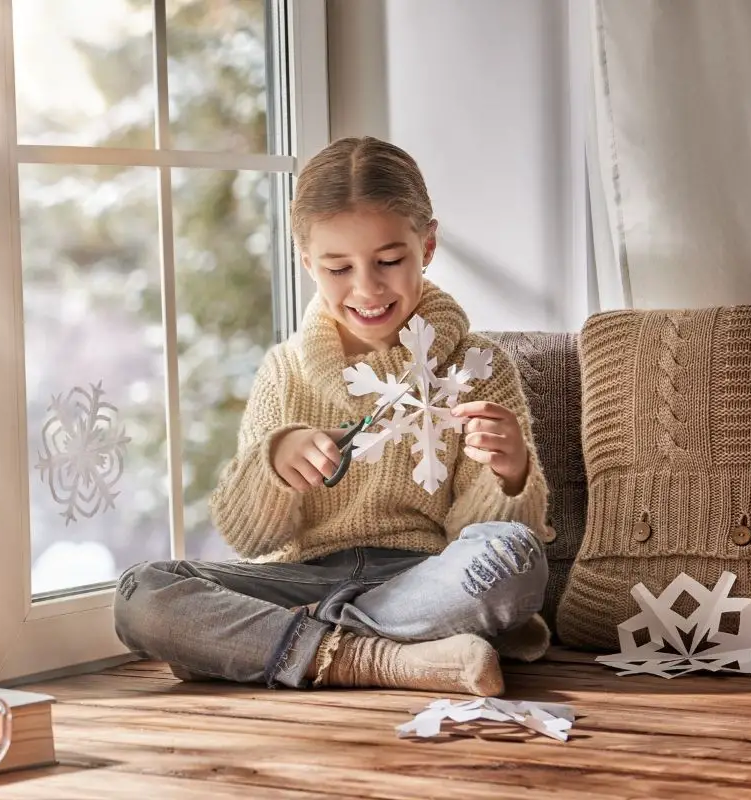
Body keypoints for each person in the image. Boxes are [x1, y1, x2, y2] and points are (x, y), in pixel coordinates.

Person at [112, 136, 554, 696]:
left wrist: (509, 473)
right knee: (140, 594)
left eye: (390, 261)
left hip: (421, 578)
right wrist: (273, 466)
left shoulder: (477, 365)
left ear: (429, 244)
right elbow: (245, 537)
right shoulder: (285, 372)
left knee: (515, 558)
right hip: (299, 579)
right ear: (306, 262)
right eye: (338, 267)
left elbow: (481, 535)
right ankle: (383, 660)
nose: (367, 288)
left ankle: (275, 646)